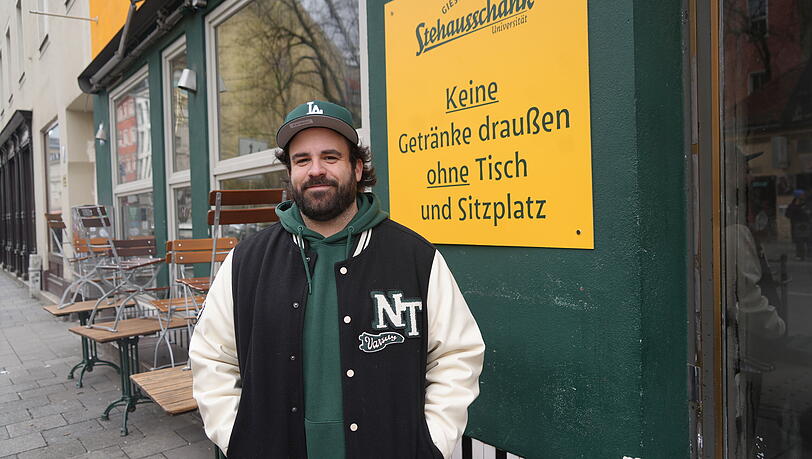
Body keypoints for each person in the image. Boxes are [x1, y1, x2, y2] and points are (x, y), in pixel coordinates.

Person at [189, 100, 485, 458]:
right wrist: (237, 436)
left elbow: (457, 354)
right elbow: (212, 358)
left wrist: (433, 442)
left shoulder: (414, 258)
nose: (316, 170)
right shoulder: (246, 262)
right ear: (290, 172)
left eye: (330, 157)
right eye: (302, 160)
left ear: (357, 167)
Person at [785, 189, 811, 260]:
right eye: (801, 195)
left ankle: (809, 254)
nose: (803, 197)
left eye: (803, 195)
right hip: (797, 225)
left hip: (807, 225)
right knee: (799, 241)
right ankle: (800, 255)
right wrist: (796, 208)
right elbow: (787, 215)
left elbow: (809, 213)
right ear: (797, 196)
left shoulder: (807, 204)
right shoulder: (792, 205)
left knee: (809, 240)